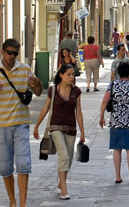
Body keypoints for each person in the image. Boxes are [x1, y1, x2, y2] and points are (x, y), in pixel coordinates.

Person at [0, 38, 43, 207]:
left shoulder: (25, 69)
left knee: (23, 163)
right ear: (2, 52)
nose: (12, 56)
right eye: (9, 52)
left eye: (15, 53)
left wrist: (38, 84)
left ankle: (22, 202)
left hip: (21, 122)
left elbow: (37, 91)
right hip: (1, 125)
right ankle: (12, 201)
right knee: (5, 167)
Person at [33, 64, 85, 200]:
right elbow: (45, 108)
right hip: (55, 127)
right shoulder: (53, 90)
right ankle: (64, 188)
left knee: (69, 158)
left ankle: (60, 183)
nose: (71, 77)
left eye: (73, 74)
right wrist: (36, 126)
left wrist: (83, 132)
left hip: (71, 128)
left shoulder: (76, 91)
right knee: (64, 156)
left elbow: (78, 112)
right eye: (69, 74)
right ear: (61, 75)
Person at [99, 61, 129, 184]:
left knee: (117, 149)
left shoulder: (112, 85)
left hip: (115, 120)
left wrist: (101, 117)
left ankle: (118, 176)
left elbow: (105, 101)